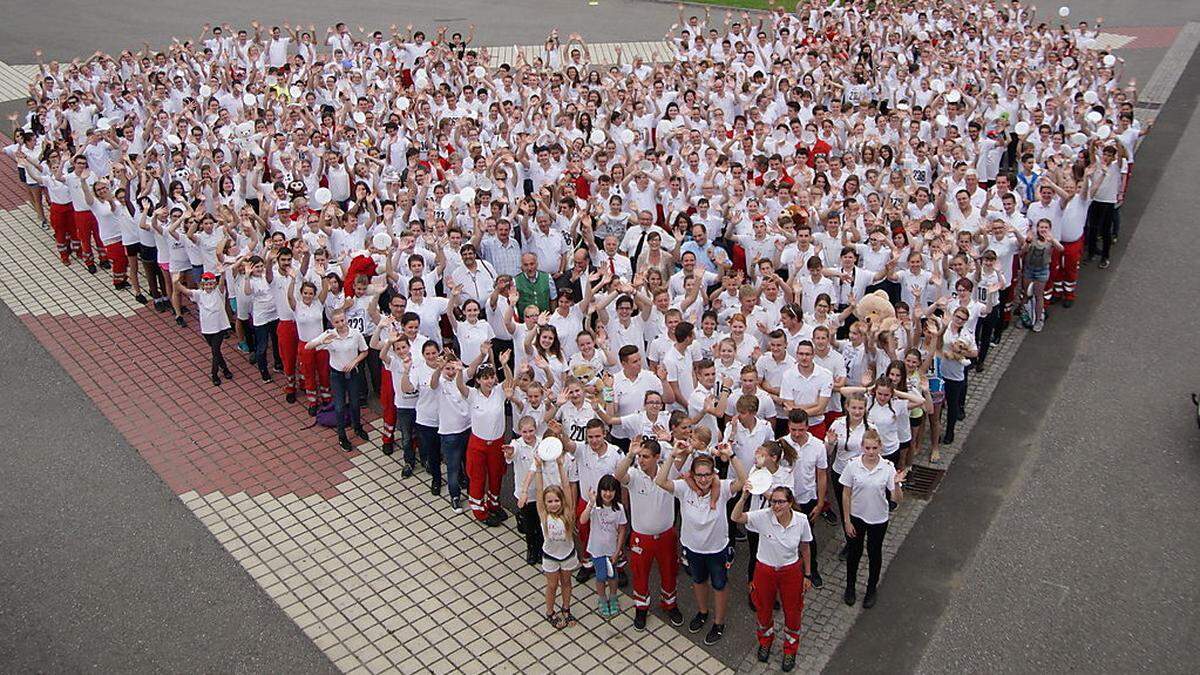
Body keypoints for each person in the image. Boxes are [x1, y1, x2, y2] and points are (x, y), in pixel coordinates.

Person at [655, 443, 747, 645]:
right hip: (692, 548)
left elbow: (743, 480)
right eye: (699, 475)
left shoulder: (722, 488)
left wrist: (731, 455)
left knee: (719, 585)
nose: (704, 479)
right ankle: (703, 612)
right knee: (698, 581)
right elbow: (660, 480)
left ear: (714, 474)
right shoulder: (683, 488)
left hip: (717, 549)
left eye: (708, 475)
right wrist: (672, 455)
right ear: (692, 475)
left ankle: (719, 622)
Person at [732, 485, 812, 672]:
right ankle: (765, 641)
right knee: (763, 609)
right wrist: (743, 498)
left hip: (791, 571)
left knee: (793, 612)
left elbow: (805, 547)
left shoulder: (801, 520)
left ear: (790, 503)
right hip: (765, 570)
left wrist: (807, 574)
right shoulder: (763, 516)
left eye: (781, 502)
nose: (776, 506)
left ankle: (790, 649)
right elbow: (736, 517)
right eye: (773, 501)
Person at [613, 436, 683, 630]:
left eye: (645, 456)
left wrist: (677, 445)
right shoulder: (634, 475)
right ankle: (641, 608)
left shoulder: (668, 473)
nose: (641, 460)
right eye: (640, 456)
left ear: (657, 457)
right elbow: (618, 476)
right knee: (640, 574)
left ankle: (670, 604)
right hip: (641, 538)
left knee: (669, 572)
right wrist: (630, 455)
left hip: (666, 536)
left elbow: (683, 458)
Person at [840, 429, 906, 608]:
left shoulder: (887, 468)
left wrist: (898, 483)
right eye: (867, 448)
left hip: (878, 518)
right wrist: (846, 520)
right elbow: (846, 494)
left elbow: (896, 499)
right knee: (854, 553)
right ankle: (850, 587)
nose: (870, 452)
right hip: (857, 516)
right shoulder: (853, 465)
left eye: (874, 448)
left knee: (874, 553)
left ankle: (871, 589)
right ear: (862, 447)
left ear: (880, 447)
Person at [455, 357, 511, 526]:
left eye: (491, 376)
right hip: (478, 444)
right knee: (478, 477)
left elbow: (510, 380)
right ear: (478, 380)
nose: (489, 380)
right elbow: (460, 386)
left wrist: (505, 364)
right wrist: (459, 371)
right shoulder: (472, 394)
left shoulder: (500, 391)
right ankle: (479, 510)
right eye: (485, 377)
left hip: (497, 443)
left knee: (496, 475)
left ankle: (494, 504)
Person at [307, 309, 369, 450]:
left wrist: (355, 362)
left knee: (355, 403)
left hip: (352, 373)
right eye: (337, 322)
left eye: (342, 320)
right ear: (332, 323)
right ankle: (342, 436)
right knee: (340, 407)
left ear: (346, 319)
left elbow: (364, 351)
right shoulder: (330, 335)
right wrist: (323, 340)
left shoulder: (355, 334)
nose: (340, 324)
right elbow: (308, 346)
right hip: (337, 375)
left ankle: (357, 426)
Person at [531, 450, 577, 629]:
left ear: (562, 501)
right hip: (550, 556)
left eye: (556, 501)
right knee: (552, 585)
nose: (553, 504)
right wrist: (539, 469)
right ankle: (550, 611)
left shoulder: (568, 512)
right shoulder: (543, 514)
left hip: (568, 554)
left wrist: (560, 465)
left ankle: (566, 608)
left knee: (566, 583)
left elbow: (566, 488)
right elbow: (540, 489)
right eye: (549, 502)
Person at [579, 474, 627, 618]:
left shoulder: (619, 508)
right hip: (597, 549)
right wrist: (590, 503)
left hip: (612, 549)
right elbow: (582, 520)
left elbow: (622, 529)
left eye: (611, 491)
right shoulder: (595, 506)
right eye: (604, 490)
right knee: (600, 576)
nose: (607, 494)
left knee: (613, 576)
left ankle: (613, 597)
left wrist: (618, 550)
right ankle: (602, 598)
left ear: (616, 492)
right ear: (599, 491)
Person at [185, 272, 234, 386]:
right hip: (206, 330)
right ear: (202, 285)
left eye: (211, 284)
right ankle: (225, 369)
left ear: (214, 284)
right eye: (206, 284)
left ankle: (214, 374)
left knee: (215, 351)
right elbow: (186, 291)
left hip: (220, 327)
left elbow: (222, 284)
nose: (208, 287)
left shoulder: (218, 292)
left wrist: (222, 274)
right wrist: (176, 282)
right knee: (216, 351)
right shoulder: (199, 294)